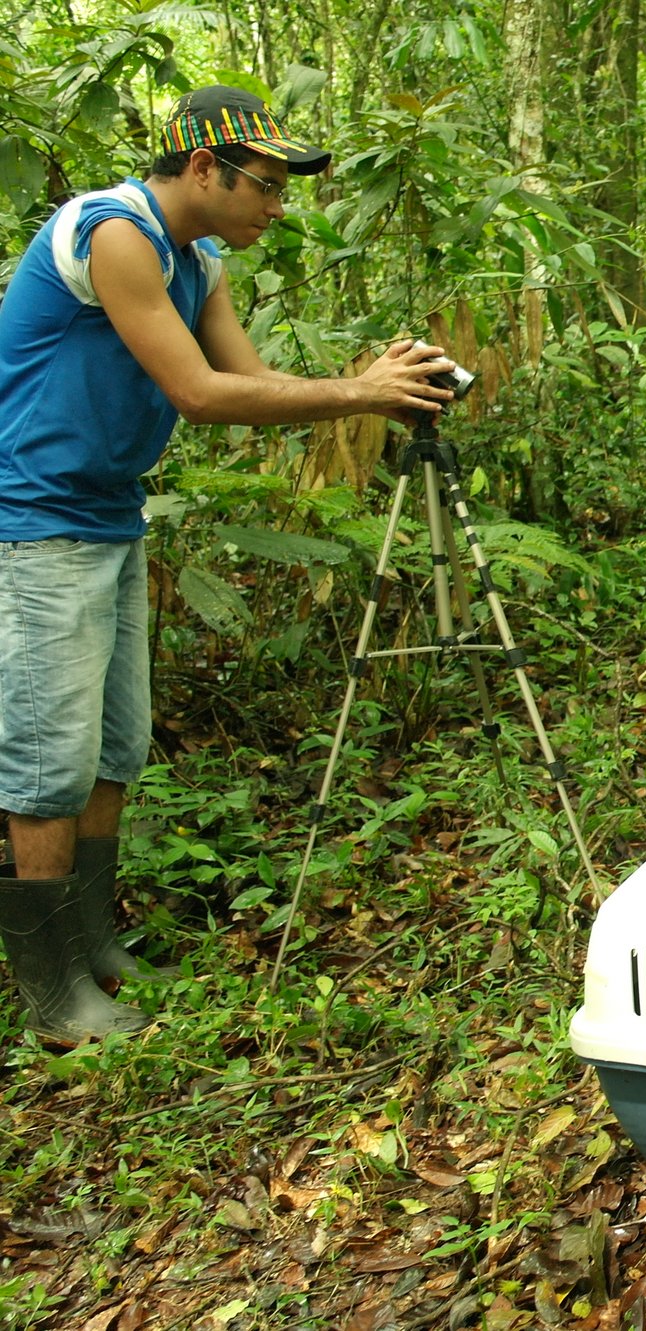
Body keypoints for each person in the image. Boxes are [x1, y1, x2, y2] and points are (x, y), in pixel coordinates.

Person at [0, 86, 460, 1042]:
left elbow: (247, 377)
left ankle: (92, 942)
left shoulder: (198, 259)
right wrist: (357, 392)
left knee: (115, 746)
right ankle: (51, 994)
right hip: (32, 520)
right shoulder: (113, 231)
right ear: (204, 167)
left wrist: (372, 383)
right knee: (49, 761)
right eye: (266, 182)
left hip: (107, 515)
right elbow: (200, 395)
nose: (277, 205)